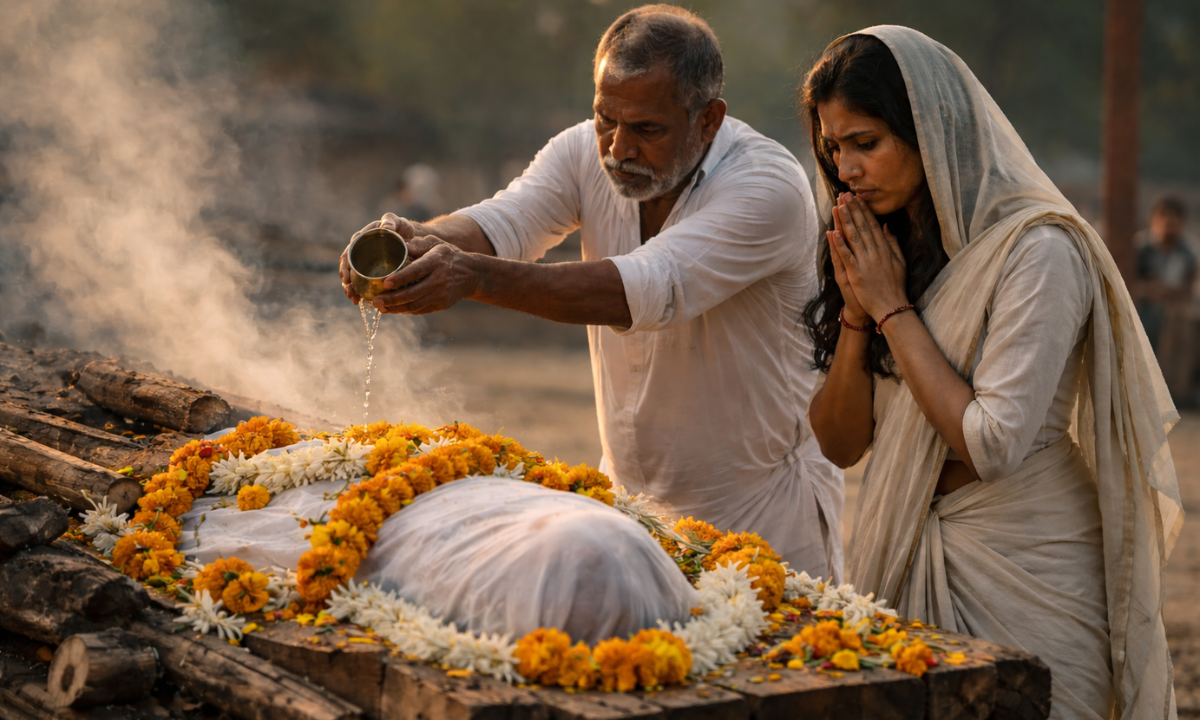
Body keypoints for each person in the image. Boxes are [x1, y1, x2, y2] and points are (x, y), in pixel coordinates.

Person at [340, 5, 842, 578]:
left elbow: (642, 289)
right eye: (607, 118)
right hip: (626, 509)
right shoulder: (584, 149)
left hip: (760, 514)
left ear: (708, 120)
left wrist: (472, 276)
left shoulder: (767, 186)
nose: (619, 148)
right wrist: (418, 238)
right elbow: (506, 222)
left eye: (648, 129)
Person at [802, 29, 1181, 720]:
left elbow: (991, 444)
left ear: (930, 130)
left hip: (1027, 560)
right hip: (907, 536)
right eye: (834, 148)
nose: (846, 168)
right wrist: (858, 315)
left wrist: (892, 309)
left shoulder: (1038, 250)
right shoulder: (881, 245)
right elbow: (839, 445)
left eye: (866, 142)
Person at [1133, 197, 1196, 403]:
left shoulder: (1187, 252)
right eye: (1165, 222)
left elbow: (1189, 284)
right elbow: (1130, 280)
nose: (1169, 229)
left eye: (1174, 224)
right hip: (1144, 306)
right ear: (1154, 221)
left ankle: (1177, 392)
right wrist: (1148, 290)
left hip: (1174, 308)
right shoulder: (1140, 248)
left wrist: (1170, 292)